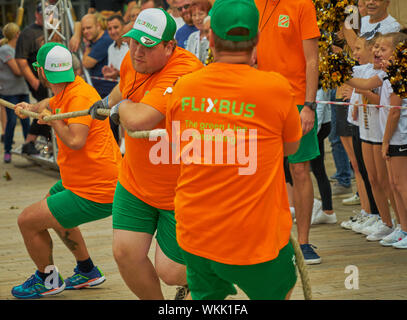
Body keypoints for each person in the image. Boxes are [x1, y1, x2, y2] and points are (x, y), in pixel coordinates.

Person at [165, 0, 300, 300]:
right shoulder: (275, 88)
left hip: (196, 231)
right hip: (256, 237)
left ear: (210, 39)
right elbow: (291, 146)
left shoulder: (184, 87)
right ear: (257, 40)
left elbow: (177, 146)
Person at [89, 8, 203, 300]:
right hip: (135, 181)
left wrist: (119, 109)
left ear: (169, 47)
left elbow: (139, 119)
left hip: (179, 190)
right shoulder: (134, 58)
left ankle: (212, 279)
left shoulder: (185, 71)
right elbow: (124, 85)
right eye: (133, 41)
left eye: (147, 46)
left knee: (171, 271)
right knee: (125, 253)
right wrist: (106, 101)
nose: (137, 51)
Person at [11, 42, 121, 299]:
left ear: (42, 73)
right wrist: (31, 109)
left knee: (27, 221)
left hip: (97, 188)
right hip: (84, 181)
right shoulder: (70, 88)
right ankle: (87, 270)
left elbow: (75, 140)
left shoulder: (79, 96)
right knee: (51, 205)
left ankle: (46, 279)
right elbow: (49, 102)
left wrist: (51, 118)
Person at [255, 0, 321, 264]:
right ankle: (270, 241)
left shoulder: (302, 5)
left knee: (300, 170)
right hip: (260, 100)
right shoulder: (252, 4)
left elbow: (312, 59)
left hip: (295, 101)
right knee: (262, 173)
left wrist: (309, 105)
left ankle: (303, 243)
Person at [15, 1, 52, 155]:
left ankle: (41, 141)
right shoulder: (28, 33)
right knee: (46, 106)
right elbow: (21, 61)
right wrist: (34, 82)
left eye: (49, 13)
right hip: (38, 78)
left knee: (51, 108)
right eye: (43, 13)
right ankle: (29, 141)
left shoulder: (52, 29)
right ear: (37, 14)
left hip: (52, 77)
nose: (46, 16)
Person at [0, 22, 31, 163]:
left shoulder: (19, 48)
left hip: (22, 90)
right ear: (17, 34)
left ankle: (29, 148)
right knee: (11, 122)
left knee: (26, 121)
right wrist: (28, 67)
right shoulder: (5, 50)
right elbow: (18, 71)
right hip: (9, 92)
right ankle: (7, 150)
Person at [102, 14, 129, 152]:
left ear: (123, 27)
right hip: (119, 89)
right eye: (110, 28)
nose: (113, 31)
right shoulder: (110, 48)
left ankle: (124, 144)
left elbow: (132, 72)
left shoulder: (130, 45)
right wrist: (109, 72)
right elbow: (116, 73)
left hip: (130, 90)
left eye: (116, 27)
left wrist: (117, 73)